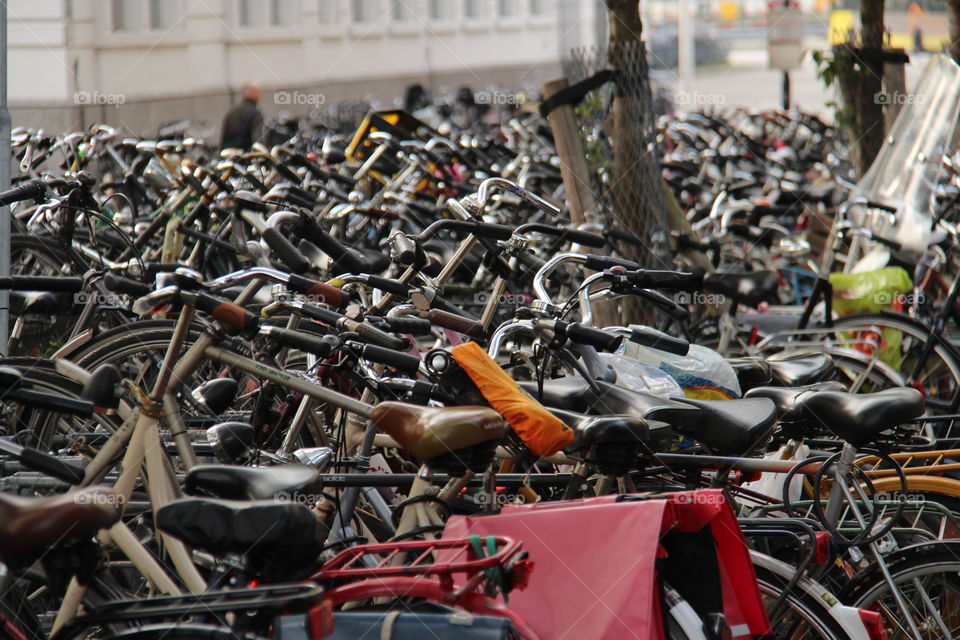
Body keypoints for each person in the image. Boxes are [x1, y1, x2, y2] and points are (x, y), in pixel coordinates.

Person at [220, 82, 263, 150]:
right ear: (250, 93)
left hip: (230, 153)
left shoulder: (231, 112)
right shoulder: (255, 113)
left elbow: (224, 137)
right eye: (258, 92)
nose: (260, 95)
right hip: (247, 156)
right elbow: (257, 139)